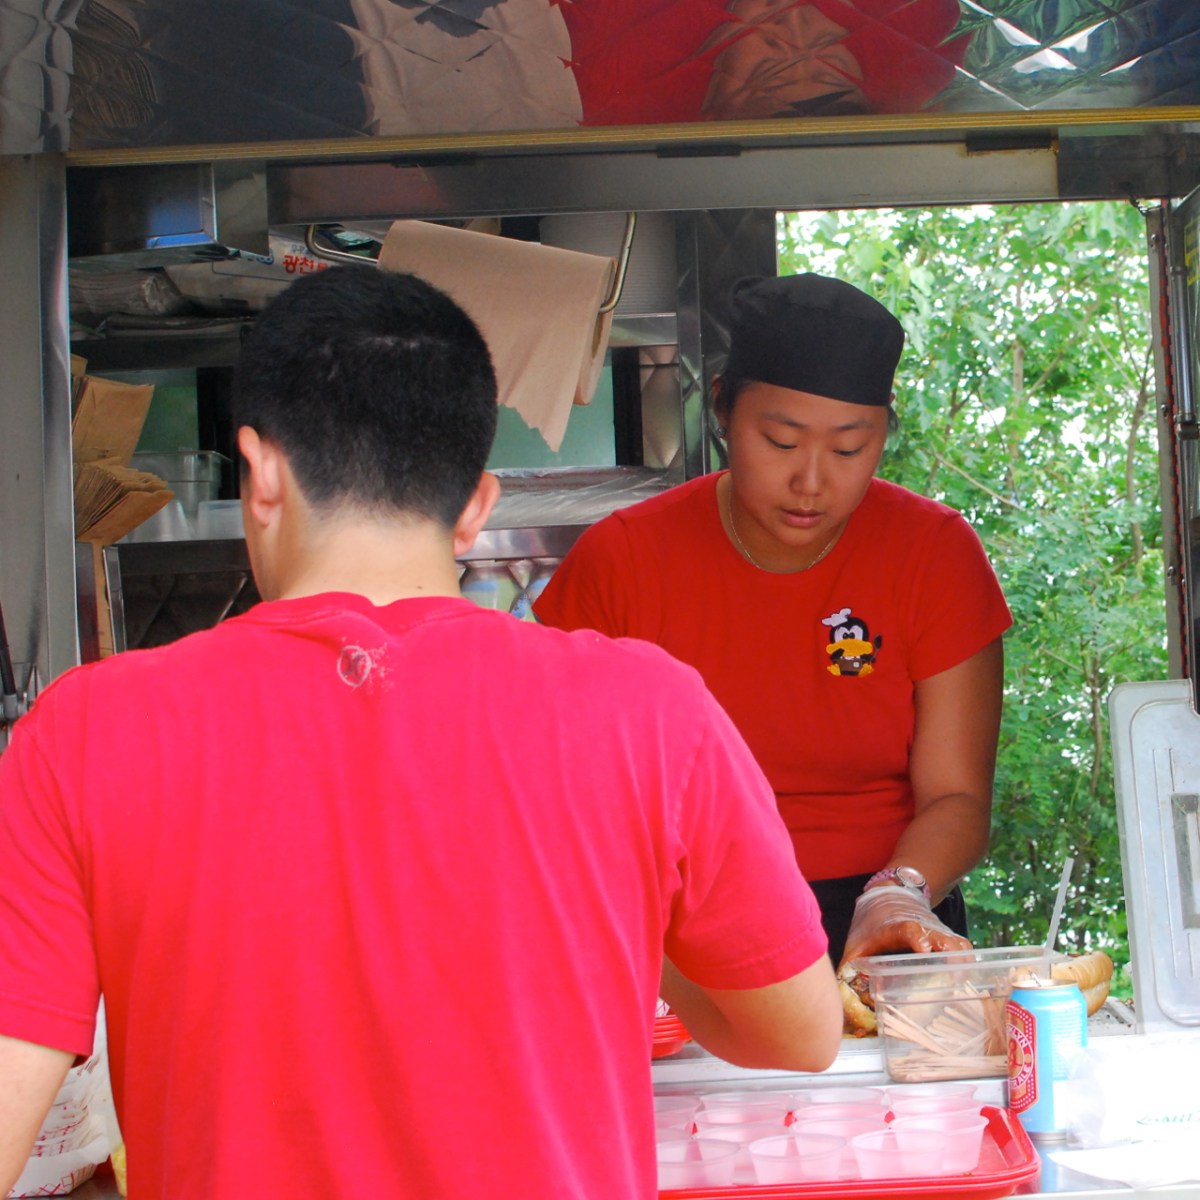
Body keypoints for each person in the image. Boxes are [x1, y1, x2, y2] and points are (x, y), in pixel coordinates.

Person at [0, 265, 842, 1200]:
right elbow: (800, 1032)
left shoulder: (85, 733)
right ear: (478, 505)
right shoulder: (650, 710)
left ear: (262, 474)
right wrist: (635, 913)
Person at [534, 272, 1012, 969]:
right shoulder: (624, 560)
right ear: (721, 408)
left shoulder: (933, 555)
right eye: (781, 442)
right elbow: (564, 788)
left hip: (886, 914)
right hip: (678, 919)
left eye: (848, 449)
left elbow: (958, 795)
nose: (811, 482)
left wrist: (899, 894)